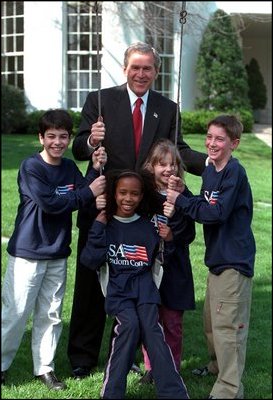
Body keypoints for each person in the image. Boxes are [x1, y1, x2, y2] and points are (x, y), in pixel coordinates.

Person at [68, 41, 208, 379]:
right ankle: (82, 357)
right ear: (125, 68)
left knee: (134, 281)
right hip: (104, 204)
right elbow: (78, 146)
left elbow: (179, 149)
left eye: (148, 68)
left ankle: (128, 352)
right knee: (91, 279)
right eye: (135, 67)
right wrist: (90, 141)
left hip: (142, 211)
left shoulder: (167, 108)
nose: (141, 74)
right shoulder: (100, 100)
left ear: (156, 72)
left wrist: (213, 164)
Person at [1, 109, 106, 390]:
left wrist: (95, 166)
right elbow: (52, 203)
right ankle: (1, 365)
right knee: (16, 312)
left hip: (58, 252)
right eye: (51, 137)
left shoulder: (70, 168)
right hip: (28, 252)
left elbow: (85, 196)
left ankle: (44, 369)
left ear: (69, 138)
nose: (57, 142)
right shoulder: (30, 167)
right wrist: (89, 192)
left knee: (51, 313)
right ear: (41, 137)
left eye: (62, 136)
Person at [165, 115, 256, 399]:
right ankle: (217, 367)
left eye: (219, 139)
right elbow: (203, 204)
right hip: (217, 260)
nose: (211, 143)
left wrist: (179, 201)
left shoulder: (234, 173)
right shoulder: (211, 169)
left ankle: (229, 390)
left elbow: (215, 214)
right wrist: (185, 192)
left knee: (228, 328)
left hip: (234, 260)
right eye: (209, 137)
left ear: (234, 144)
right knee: (211, 322)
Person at [80, 169, 190, 399]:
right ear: (114, 194)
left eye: (134, 194)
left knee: (152, 330)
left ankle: (173, 393)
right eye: (122, 193)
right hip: (119, 291)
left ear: (141, 196)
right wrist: (98, 227)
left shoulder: (147, 227)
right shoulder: (106, 225)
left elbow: (164, 259)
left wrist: (168, 239)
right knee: (128, 326)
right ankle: (111, 393)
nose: (128, 199)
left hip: (145, 290)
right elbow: (90, 259)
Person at [138, 138, 196, 385]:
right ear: (152, 166)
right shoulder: (144, 194)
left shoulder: (183, 195)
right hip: (147, 269)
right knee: (150, 322)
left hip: (174, 270)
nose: (168, 169)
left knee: (172, 323)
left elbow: (190, 234)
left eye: (173, 164)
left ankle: (171, 368)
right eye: (162, 164)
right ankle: (151, 367)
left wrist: (172, 233)